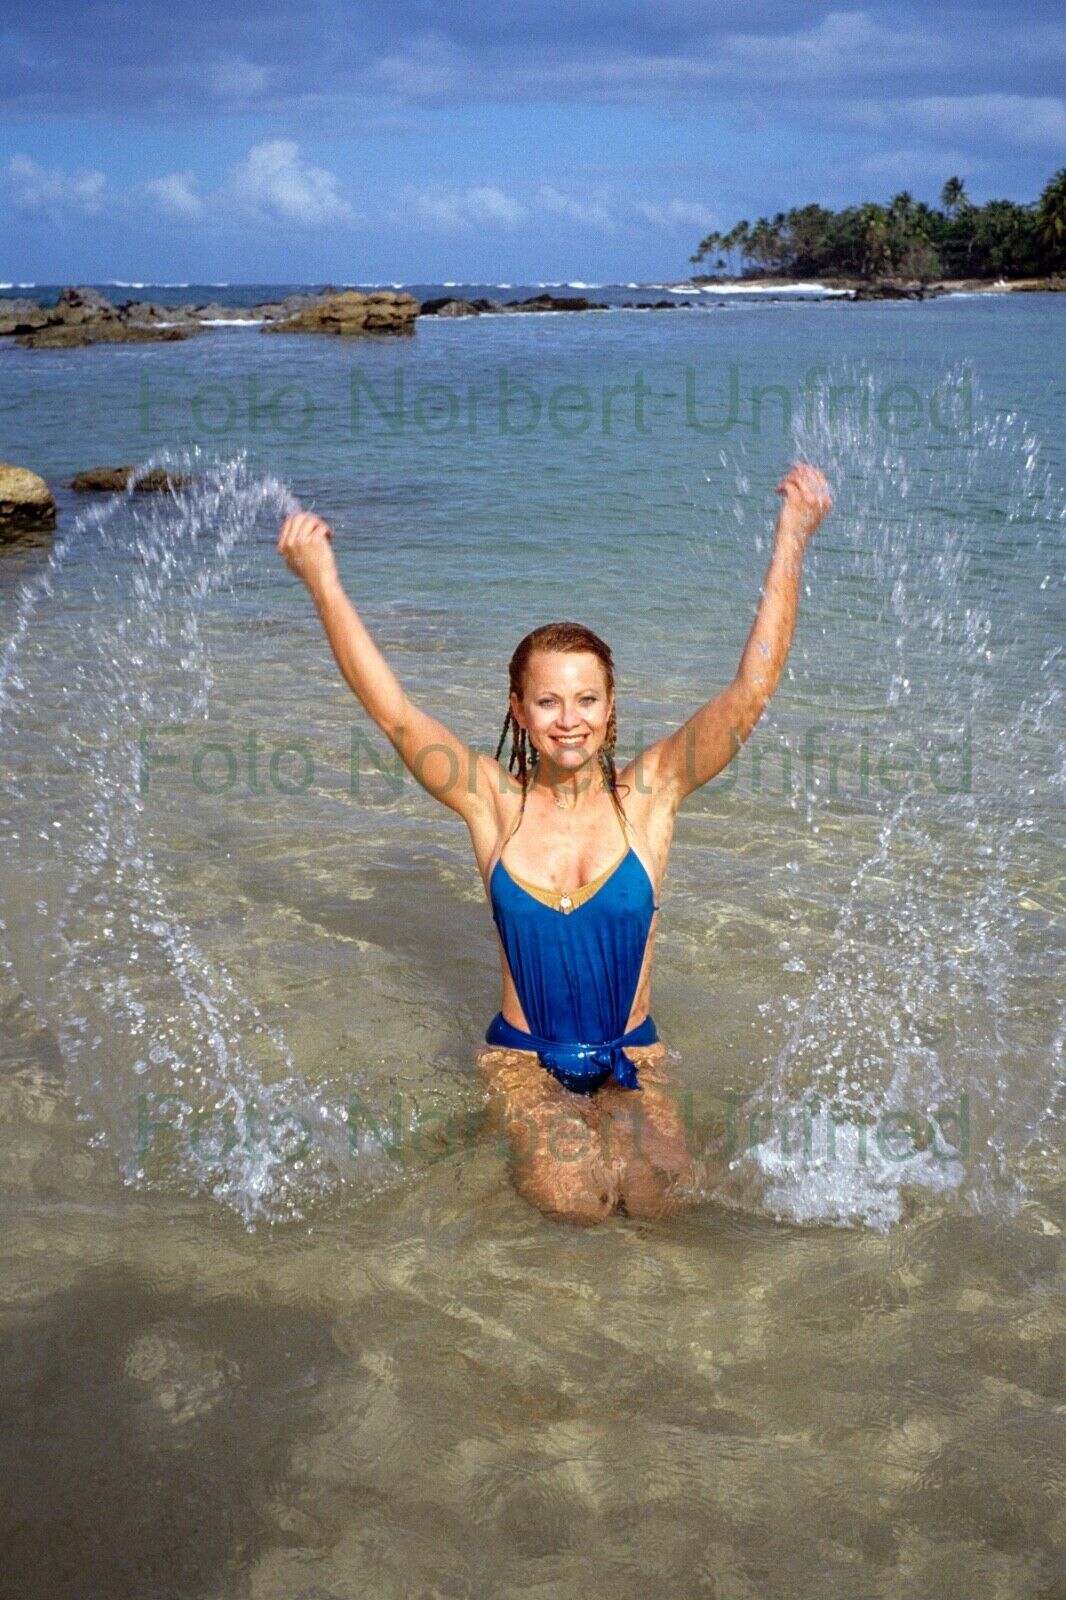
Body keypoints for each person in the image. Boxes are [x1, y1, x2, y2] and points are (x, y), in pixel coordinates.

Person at [278, 462, 832, 1224]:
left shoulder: (652, 796)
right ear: (519, 709)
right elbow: (394, 713)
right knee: (574, 1204)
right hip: (523, 1066)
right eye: (547, 700)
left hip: (634, 1055)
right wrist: (322, 581)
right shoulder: (490, 804)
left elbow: (750, 695)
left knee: (660, 1202)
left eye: (586, 700)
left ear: (610, 711)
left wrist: (793, 537)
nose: (568, 719)